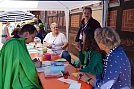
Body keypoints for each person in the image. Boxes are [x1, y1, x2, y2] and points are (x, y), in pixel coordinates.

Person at [0, 24, 43, 89]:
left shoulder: (19, 42)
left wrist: (30, 62)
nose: (32, 40)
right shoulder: (14, 44)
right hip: (19, 84)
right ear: (26, 34)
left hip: (22, 81)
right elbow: (12, 68)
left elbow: (20, 62)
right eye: (32, 37)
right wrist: (34, 65)